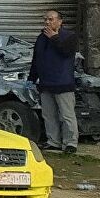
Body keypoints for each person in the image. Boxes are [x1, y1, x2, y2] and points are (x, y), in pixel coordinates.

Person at [29, 9, 80, 154]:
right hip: (45, 83)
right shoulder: (41, 38)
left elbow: (67, 52)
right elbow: (36, 59)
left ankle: (70, 143)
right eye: (45, 19)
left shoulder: (69, 36)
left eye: (51, 19)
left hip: (63, 83)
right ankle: (53, 141)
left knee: (67, 115)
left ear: (60, 21)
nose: (47, 22)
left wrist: (54, 38)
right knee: (49, 115)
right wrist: (32, 78)